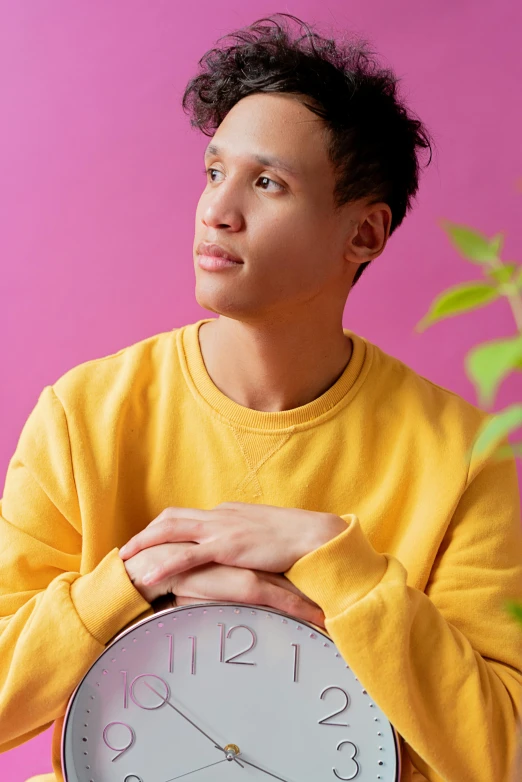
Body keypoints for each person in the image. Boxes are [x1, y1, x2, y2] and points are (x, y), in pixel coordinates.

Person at [1, 12, 521, 782]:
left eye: (267, 182)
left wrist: (335, 567)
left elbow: (501, 753)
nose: (218, 208)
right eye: (215, 171)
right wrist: (138, 580)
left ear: (365, 235)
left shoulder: (464, 456)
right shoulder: (84, 415)